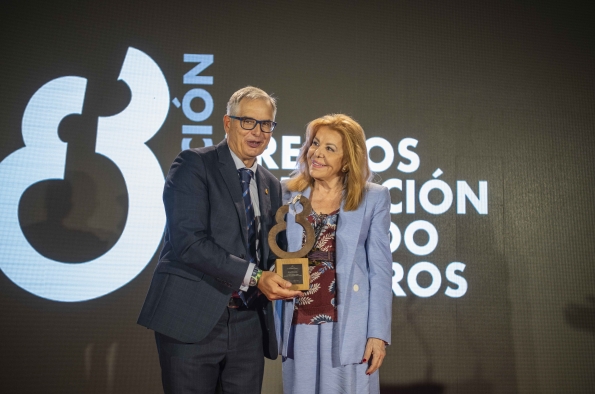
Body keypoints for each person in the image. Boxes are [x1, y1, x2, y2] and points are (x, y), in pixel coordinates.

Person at [138, 86, 301, 394]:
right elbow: (188, 242)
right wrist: (256, 276)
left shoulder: (271, 184)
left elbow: (273, 253)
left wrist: (298, 273)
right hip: (193, 319)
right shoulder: (194, 165)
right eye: (248, 122)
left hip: (249, 323)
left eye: (266, 124)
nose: (258, 132)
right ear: (228, 123)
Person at [274, 114, 393, 394]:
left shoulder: (373, 197)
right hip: (298, 318)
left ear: (348, 160)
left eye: (330, 148)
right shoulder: (285, 193)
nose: (317, 153)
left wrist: (378, 334)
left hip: (349, 324)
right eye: (315, 143)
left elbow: (380, 269)